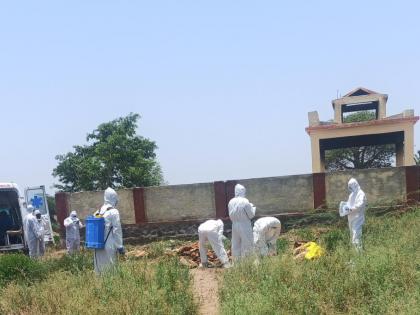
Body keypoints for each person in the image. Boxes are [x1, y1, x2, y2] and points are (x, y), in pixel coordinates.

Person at [93, 187, 124, 274]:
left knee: (99, 268)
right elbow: (117, 230)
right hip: (109, 244)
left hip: (98, 245)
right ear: (113, 198)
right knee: (110, 268)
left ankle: (100, 285)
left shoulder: (97, 212)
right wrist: (119, 246)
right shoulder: (114, 212)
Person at [228, 184, 256, 259]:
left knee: (236, 244)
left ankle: (237, 264)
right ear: (243, 191)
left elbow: (230, 215)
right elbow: (251, 215)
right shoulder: (245, 201)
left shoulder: (231, 202)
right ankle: (247, 263)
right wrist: (253, 207)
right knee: (247, 244)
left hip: (234, 225)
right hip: (244, 224)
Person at [346, 178, 367, 251]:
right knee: (352, 236)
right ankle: (354, 254)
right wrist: (345, 208)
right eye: (349, 187)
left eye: (351, 186)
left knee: (356, 235)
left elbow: (360, 204)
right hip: (351, 218)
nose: (350, 188)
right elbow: (348, 204)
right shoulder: (351, 195)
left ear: (355, 185)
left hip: (358, 218)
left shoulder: (361, 193)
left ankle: (359, 254)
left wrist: (351, 209)